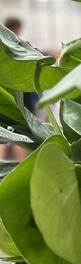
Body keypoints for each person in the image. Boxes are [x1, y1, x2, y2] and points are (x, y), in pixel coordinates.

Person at [1, 17, 31, 161]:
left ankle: (9, 166)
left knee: (7, 132)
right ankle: (16, 165)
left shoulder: (18, 45)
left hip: (11, 95)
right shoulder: (17, 47)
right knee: (19, 132)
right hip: (15, 93)